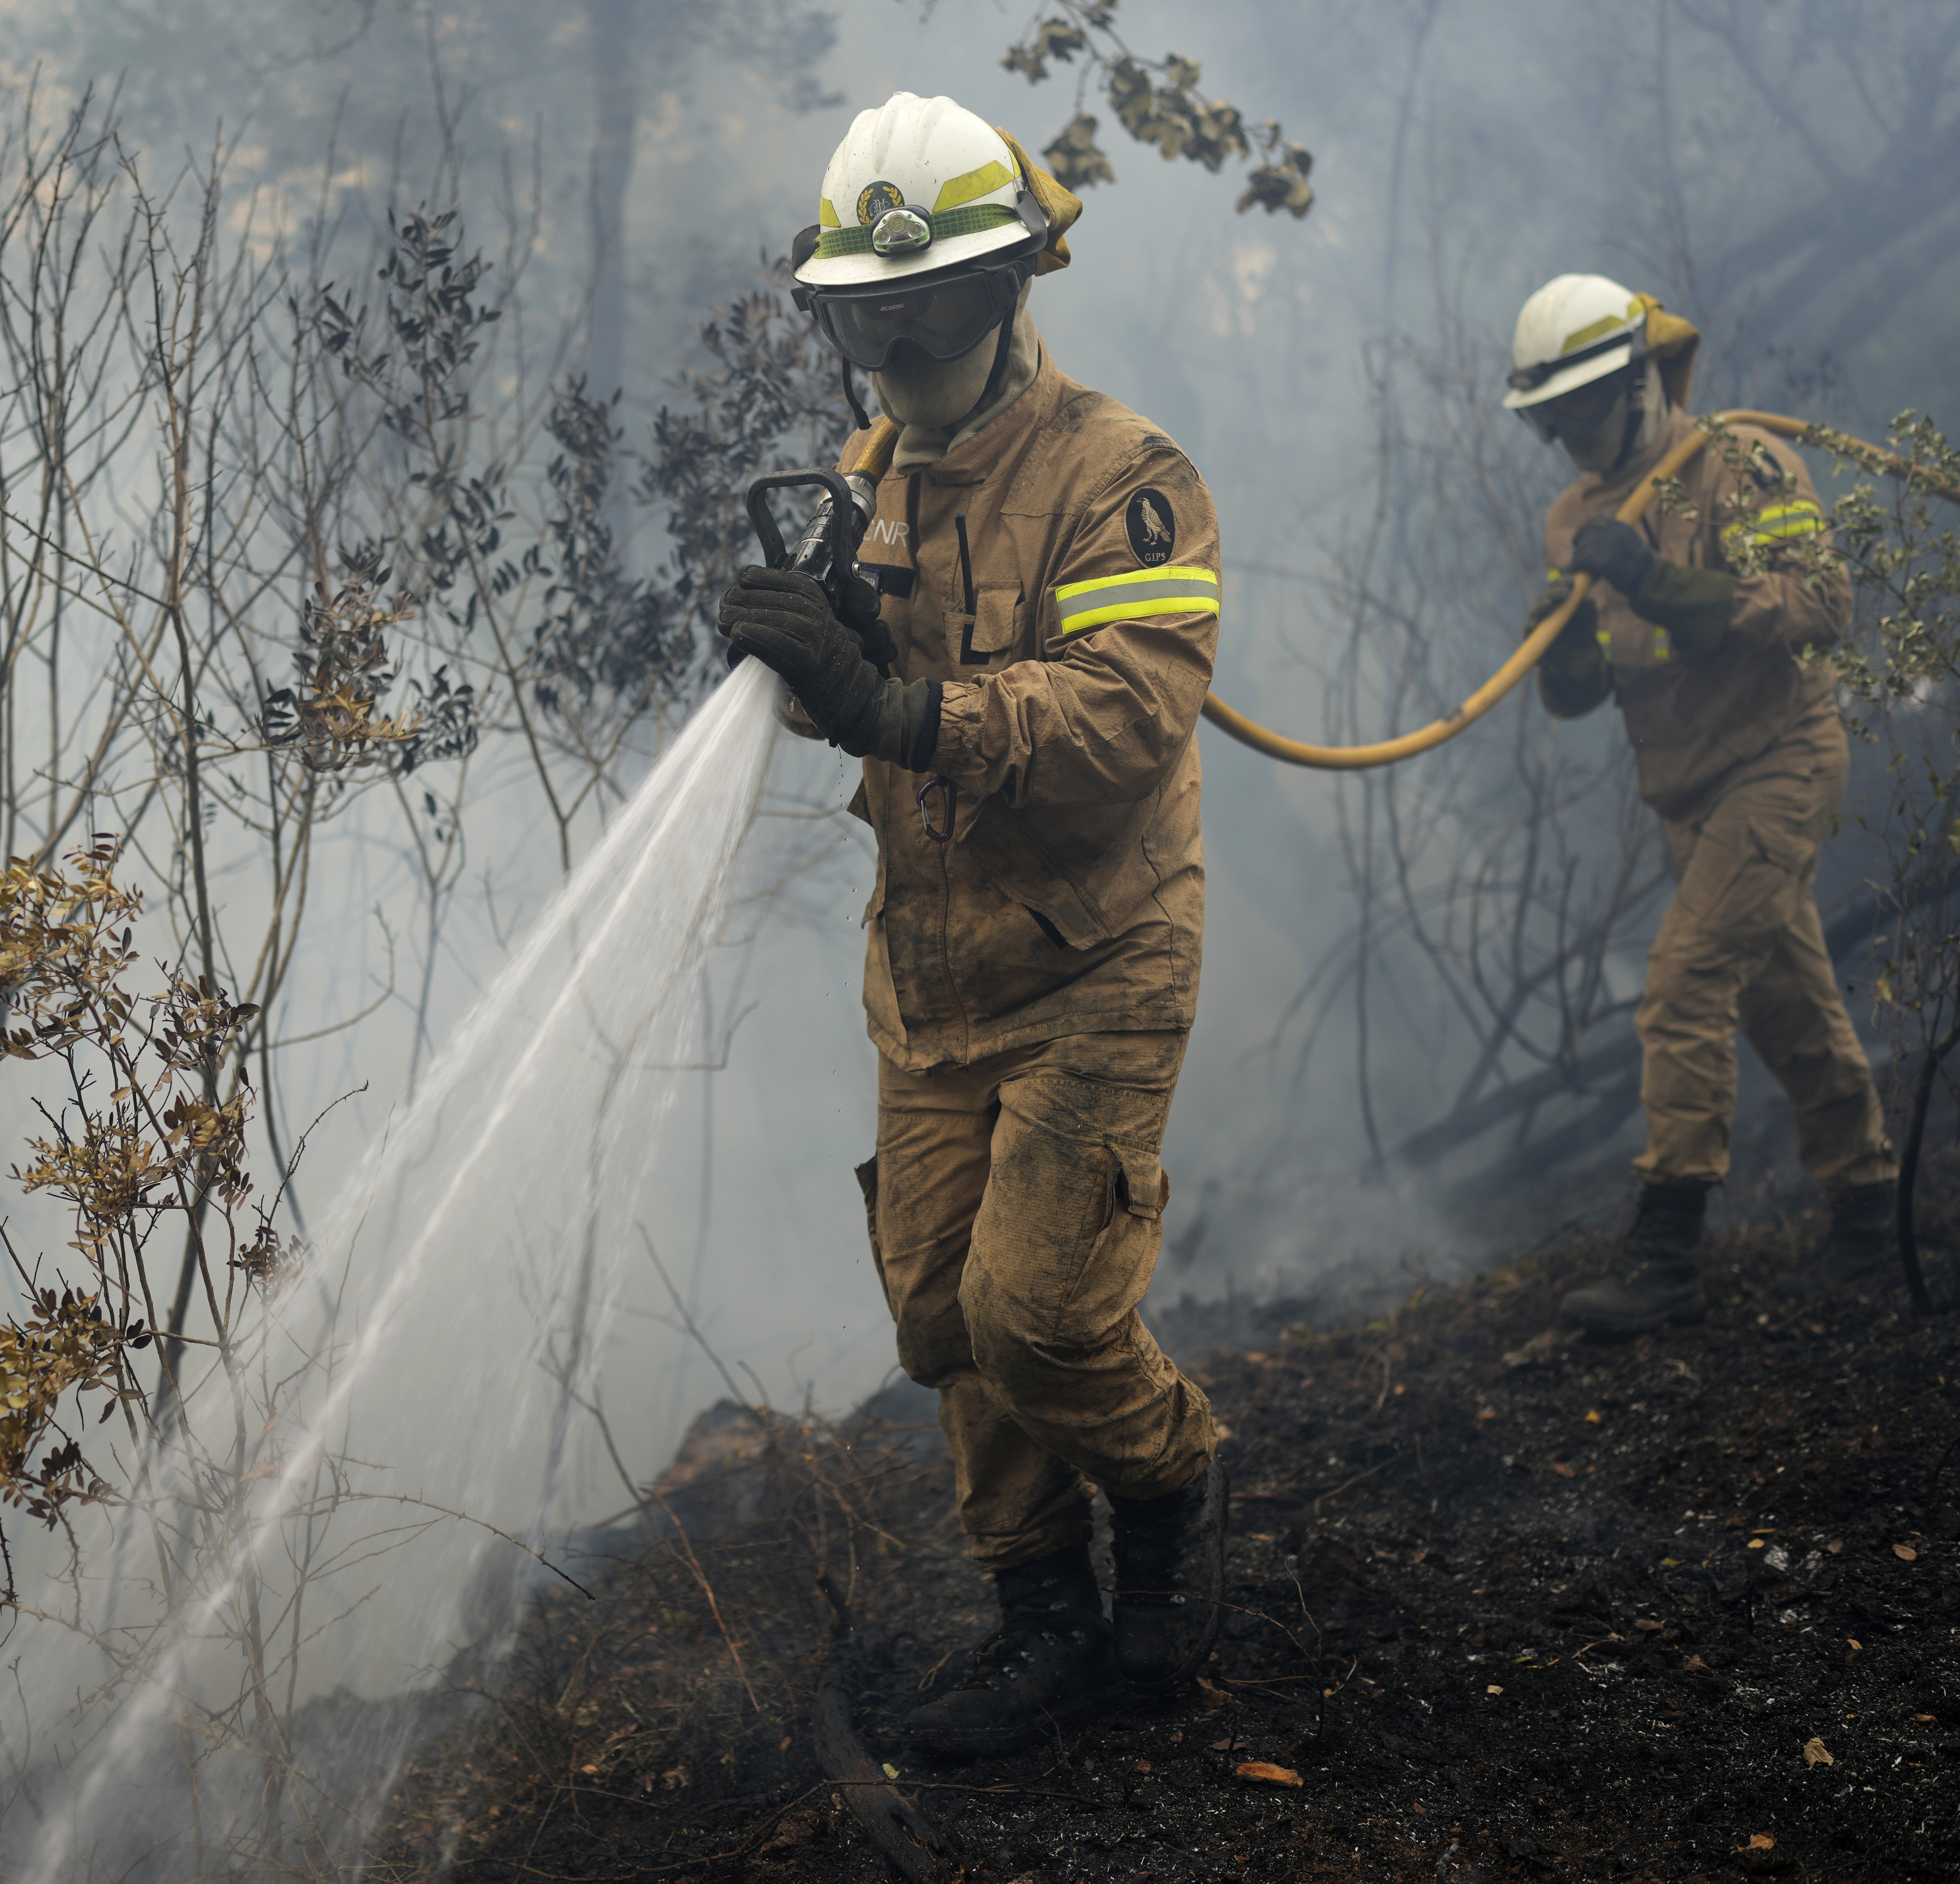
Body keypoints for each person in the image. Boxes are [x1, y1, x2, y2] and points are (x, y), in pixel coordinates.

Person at [717, 92, 1226, 1756]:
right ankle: (1042, 1616)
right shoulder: (873, 486)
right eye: (865, 318)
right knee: (942, 1319)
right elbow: (859, 707)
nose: (897, 353)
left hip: (1096, 958)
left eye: (928, 310)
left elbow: (1123, 722)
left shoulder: (1125, 476)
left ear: (1011, 289)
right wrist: (809, 661)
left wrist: (895, 704)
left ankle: (1173, 1482)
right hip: (930, 974)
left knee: (1040, 1313)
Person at [1502, 274, 1898, 1336]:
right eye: (1550, 418)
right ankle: (1871, 1211)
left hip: (1779, 760)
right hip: (1686, 792)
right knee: (1785, 1004)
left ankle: (1668, 1253)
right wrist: (1565, 646)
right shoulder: (1573, 520)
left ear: (1639, 380)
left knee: (1681, 988)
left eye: (1584, 404)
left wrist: (1652, 581)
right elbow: (1579, 695)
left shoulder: (1739, 462)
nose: (1569, 434)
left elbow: (1822, 604)